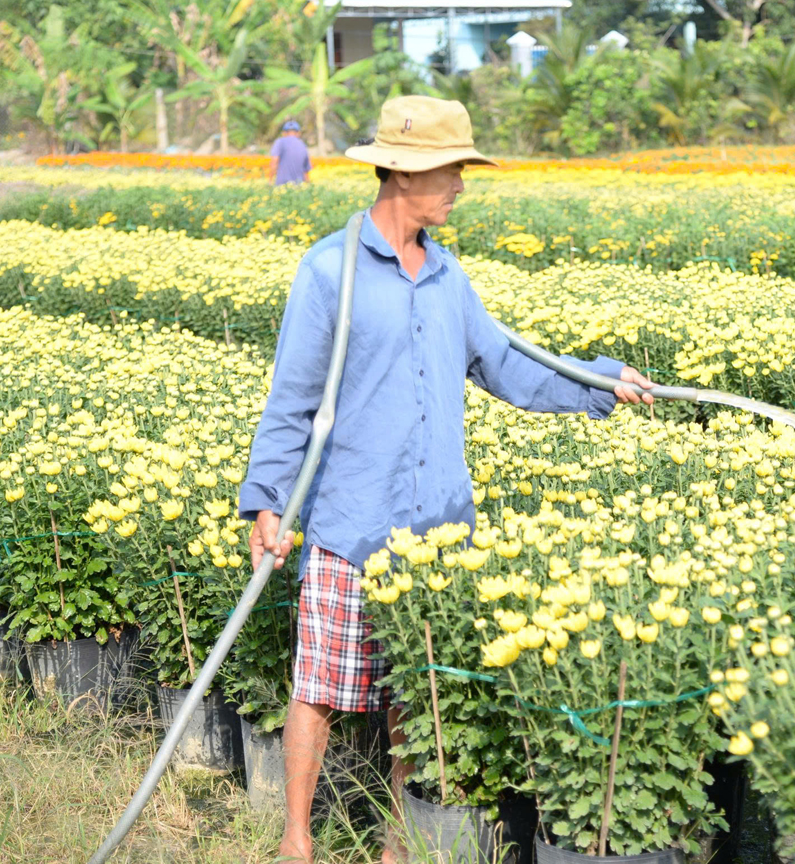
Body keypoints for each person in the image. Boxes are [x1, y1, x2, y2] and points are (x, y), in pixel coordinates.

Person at [237, 95, 655, 864]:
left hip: (434, 532)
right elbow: (292, 397)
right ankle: (296, 839)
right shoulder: (330, 270)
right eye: (450, 169)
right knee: (321, 687)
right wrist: (266, 501)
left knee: (413, 703)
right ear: (401, 173)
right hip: (349, 520)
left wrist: (598, 381)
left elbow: (509, 365)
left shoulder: (449, 275)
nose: (461, 183)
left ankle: (400, 845)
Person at [270, 119, 311, 185]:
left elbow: (274, 161)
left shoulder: (280, 142)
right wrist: (309, 186)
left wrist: (270, 181)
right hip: (299, 186)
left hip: (282, 185)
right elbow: (305, 171)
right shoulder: (303, 145)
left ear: (284, 133)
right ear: (298, 133)